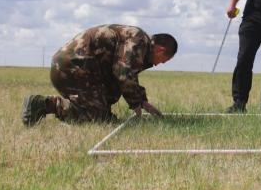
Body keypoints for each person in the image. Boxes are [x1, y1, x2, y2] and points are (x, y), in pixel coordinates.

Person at [21, 24, 177, 125]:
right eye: (162, 60)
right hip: (73, 66)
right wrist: (136, 103)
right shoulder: (139, 40)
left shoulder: (139, 42)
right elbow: (122, 72)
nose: (158, 64)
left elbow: (125, 72)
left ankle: (101, 112)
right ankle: (44, 104)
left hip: (79, 67)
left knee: (109, 101)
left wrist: (142, 101)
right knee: (95, 118)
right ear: (160, 50)